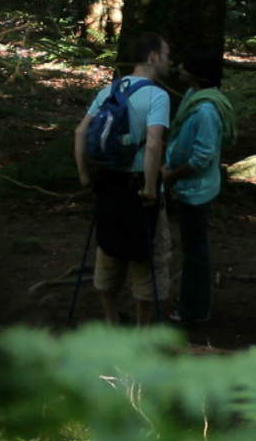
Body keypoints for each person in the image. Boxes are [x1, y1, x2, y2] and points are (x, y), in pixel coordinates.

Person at [74, 32, 172, 325]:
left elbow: (80, 132)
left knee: (109, 250)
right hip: (140, 187)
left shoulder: (109, 90)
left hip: (108, 185)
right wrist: (152, 188)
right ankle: (142, 332)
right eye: (167, 55)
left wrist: (83, 176)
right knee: (148, 257)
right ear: (153, 57)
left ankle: (111, 323)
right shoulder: (157, 95)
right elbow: (154, 144)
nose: (170, 62)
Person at [161, 47, 237, 326]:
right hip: (190, 185)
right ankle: (191, 302)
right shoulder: (195, 96)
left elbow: (202, 156)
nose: (178, 67)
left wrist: (173, 175)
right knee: (193, 248)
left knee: (195, 251)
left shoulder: (206, 109)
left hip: (196, 189)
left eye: (184, 64)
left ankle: (195, 309)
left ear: (194, 72)